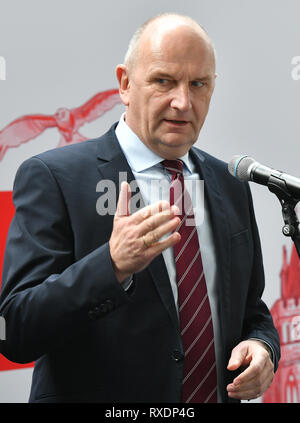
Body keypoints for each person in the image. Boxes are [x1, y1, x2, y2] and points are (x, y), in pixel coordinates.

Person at [0, 13, 280, 403]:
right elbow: (14, 329)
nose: (183, 102)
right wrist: (110, 265)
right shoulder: (54, 178)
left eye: (198, 84)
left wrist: (263, 346)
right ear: (125, 84)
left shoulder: (230, 184)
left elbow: (252, 310)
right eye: (164, 81)